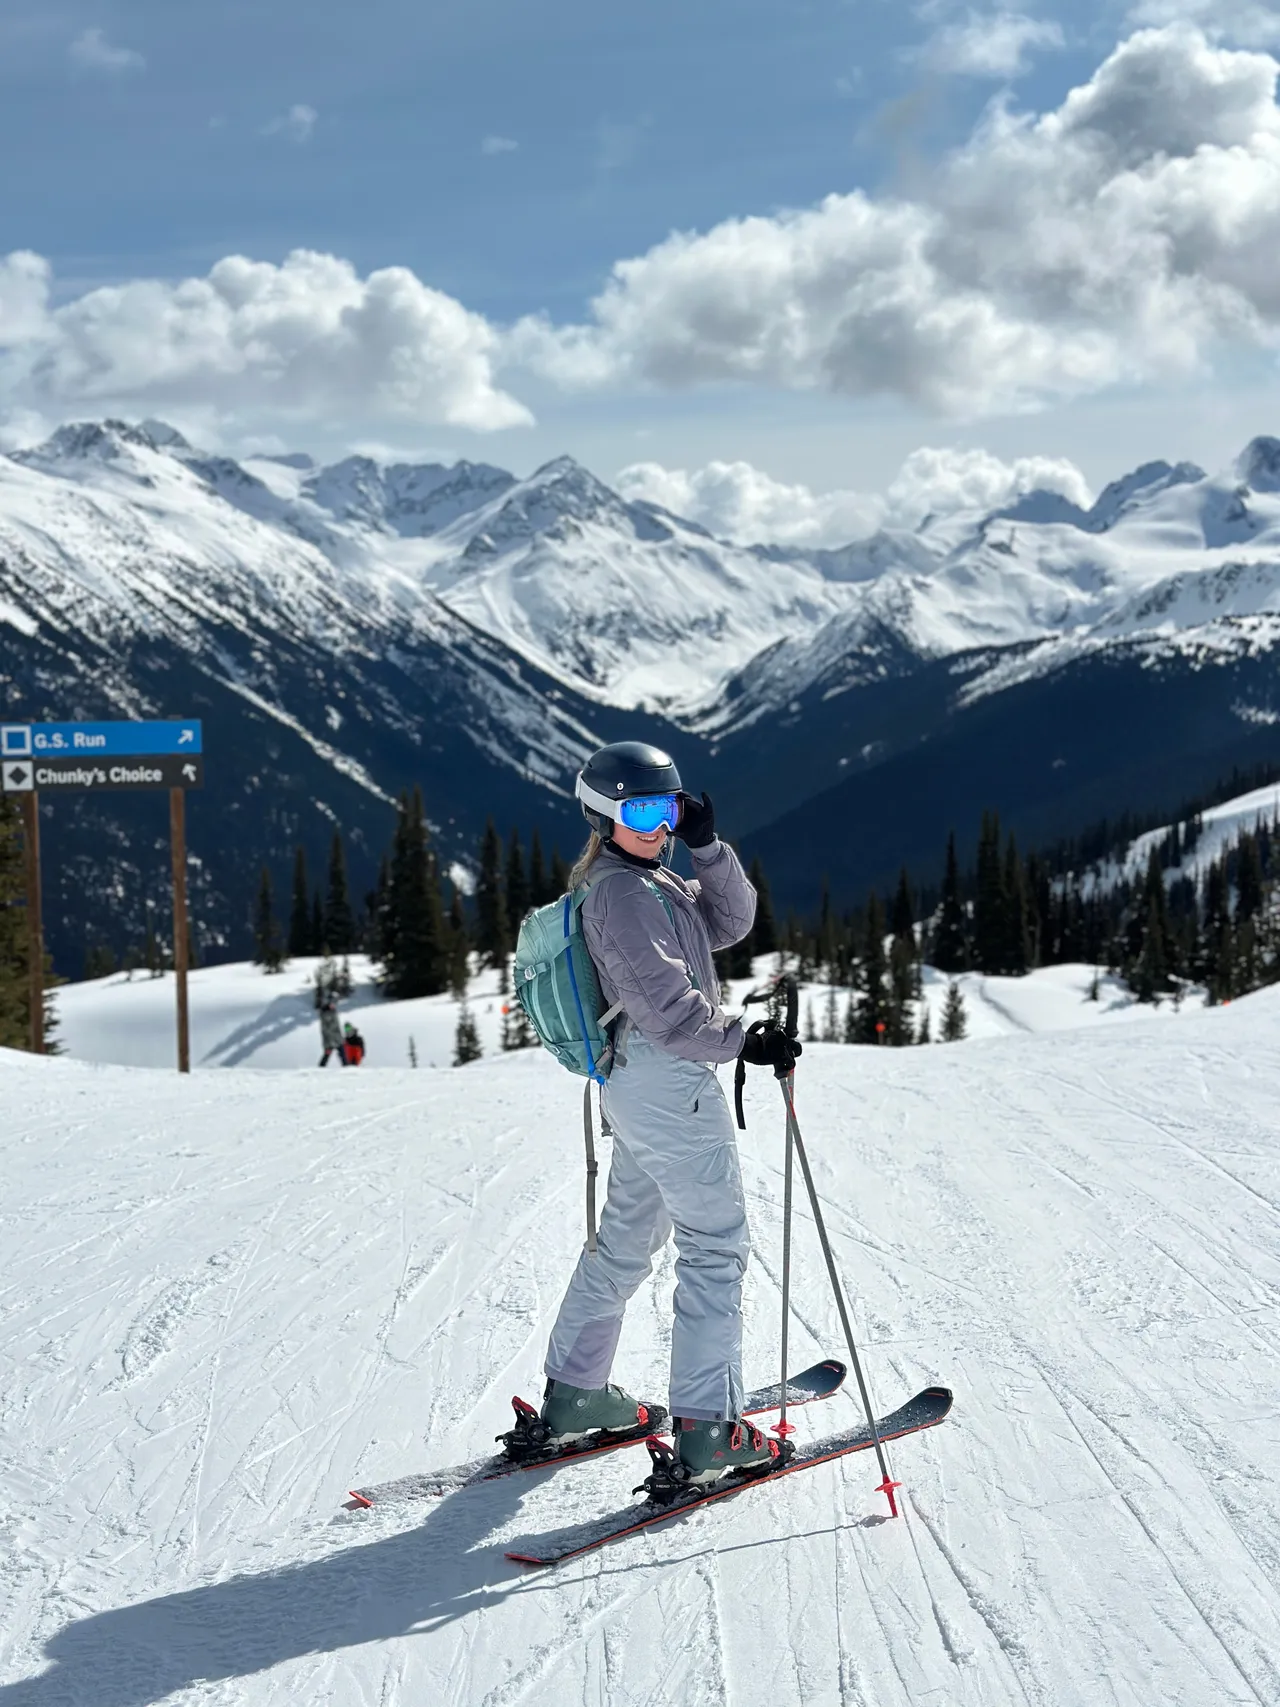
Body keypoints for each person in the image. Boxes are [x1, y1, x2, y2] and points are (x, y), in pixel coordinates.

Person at [540, 741, 800, 1482]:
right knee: (715, 1246)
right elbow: (669, 1012)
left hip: (639, 1089)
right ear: (603, 814)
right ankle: (708, 1430)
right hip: (669, 1084)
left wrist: (709, 846)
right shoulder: (621, 894)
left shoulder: (654, 883)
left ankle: (577, 1394)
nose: (657, 824)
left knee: (625, 1240)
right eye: (640, 810)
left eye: (668, 808)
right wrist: (742, 1038)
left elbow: (734, 921)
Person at [318, 994, 346, 1067]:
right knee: (327, 1054)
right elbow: (326, 1029)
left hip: (337, 1038)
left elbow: (337, 1026)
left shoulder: (333, 1011)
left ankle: (347, 1068)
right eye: (333, 1003)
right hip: (330, 1039)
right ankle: (320, 1068)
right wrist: (329, 1042)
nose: (334, 1005)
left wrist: (341, 1037)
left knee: (343, 1054)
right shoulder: (325, 1013)